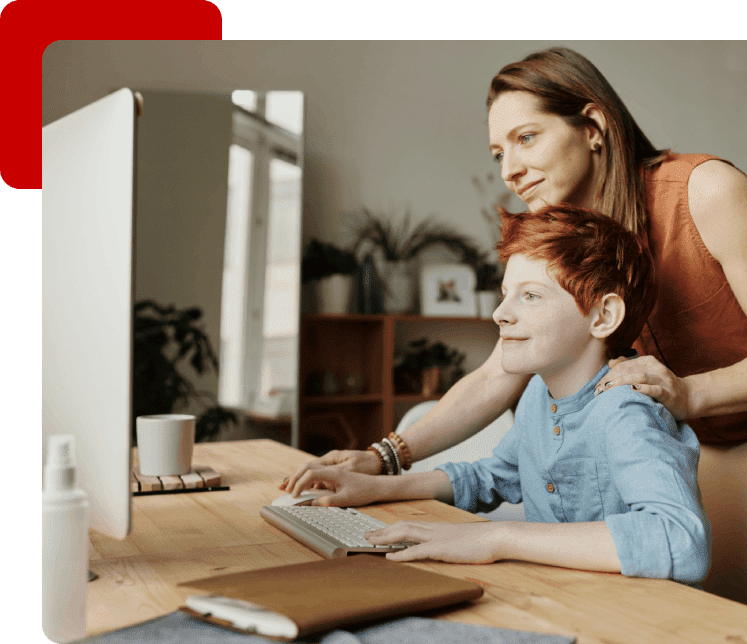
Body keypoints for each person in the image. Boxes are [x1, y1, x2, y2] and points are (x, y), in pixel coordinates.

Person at [285, 47, 747, 631]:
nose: (509, 169)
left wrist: (686, 395)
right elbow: (498, 374)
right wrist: (383, 458)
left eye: (527, 138)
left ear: (595, 127)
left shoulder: (706, 192)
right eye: (499, 152)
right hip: (714, 459)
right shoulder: (575, 236)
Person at [289, 204, 711, 585]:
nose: (500, 312)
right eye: (505, 293)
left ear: (603, 316)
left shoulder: (625, 411)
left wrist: (497, 537)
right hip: (559, 597)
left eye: (530, 296)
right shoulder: (536, 397)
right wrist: (376, 487)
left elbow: (680, 538)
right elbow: (492, 477)